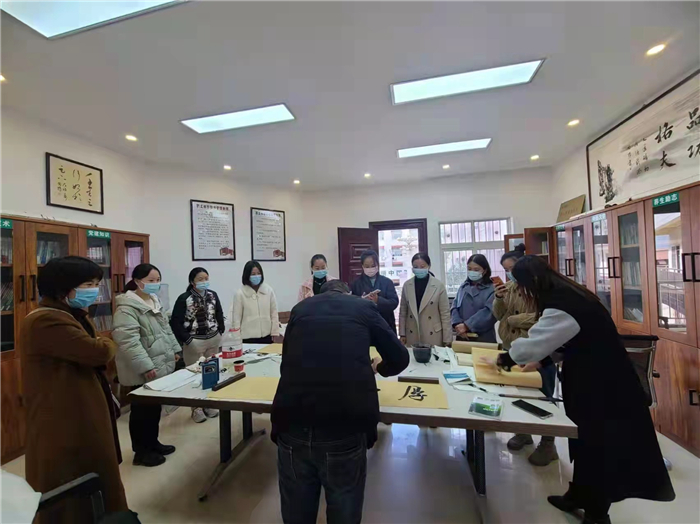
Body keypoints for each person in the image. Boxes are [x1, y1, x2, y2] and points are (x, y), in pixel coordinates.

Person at [483, 255, 675, 524]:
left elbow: (538, 341)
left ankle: (597, 514)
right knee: (583, 442)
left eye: (523, 287)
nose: (524, 293)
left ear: (533, 282)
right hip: (593, 379)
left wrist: (504, 359)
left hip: (604, 386)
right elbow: (570, 340)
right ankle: (577, 496)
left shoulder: (563, 304)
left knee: (598, 449)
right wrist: (543, 360)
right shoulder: (569, 293)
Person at [272, 280, 409, 524]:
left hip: (293, 420)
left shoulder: (300, 309)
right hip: (344, 422)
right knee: (344, 505)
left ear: (320, 294)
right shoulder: (362, 307)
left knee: (296, 510)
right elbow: (399, 358)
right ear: (348, 293)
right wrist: (379, 367)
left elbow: (286, 362)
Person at [20, 256, 129, 523]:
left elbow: (95, 348)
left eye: (96, 283)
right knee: (70, 474)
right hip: (63, 414)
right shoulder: (46, 320)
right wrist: (108, 343)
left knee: (94, 467)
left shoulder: (70, 315)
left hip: (80, 405)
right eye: (87, 284)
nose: (94, 290)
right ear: (63, 288)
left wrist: (103, 344)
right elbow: (98, 352)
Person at [493, 244, 558, 466]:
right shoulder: (509, 288)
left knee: (543, 396)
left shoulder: (540, 289)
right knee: (516, 394)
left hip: (538, 350)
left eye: (512, 269)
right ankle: (523, 433)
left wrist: (515, 320)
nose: (509, 274)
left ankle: (548, 443)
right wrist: (498, 298)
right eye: (506, 270)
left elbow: (543, 317)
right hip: (512, 347)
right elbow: (498, 315)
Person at [113, 263, 179, 467]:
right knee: (141, 411)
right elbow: (128, 341)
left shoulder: (154, 301)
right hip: (142, 368)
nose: (155, 284)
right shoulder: (127, 307)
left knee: (153, 408)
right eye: (151, 280)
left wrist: (175, 349)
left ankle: (153, 443)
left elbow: (166, 329)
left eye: (158, 280)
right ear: (137, 281)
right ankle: (141, 452)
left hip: (159, 361)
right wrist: (145, 366)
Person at [170, 267, 225, 423]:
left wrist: (220, 331)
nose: (204, 281)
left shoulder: (213, 295)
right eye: (200, 279)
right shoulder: (184, 298)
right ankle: (196, 408)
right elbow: (175, 322)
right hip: (194, 341)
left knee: (211, 373)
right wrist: (187, 340)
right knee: (194, 375)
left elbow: (219, 313)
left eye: (206, 278)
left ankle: (209, 404)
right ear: (192, 282)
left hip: (213, 339)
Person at [399, 252, 452, 347]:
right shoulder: (407, 285)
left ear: (429, 266)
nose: (419, 269)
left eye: (422, 266)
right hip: (412, 332)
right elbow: (403, 312)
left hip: (433, 333)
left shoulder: (438, 286)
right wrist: (402, 333)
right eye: (415, 267)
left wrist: (447, 339)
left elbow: (445, 314)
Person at [230, 260, 280, 344]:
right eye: (253, 274)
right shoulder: (240, 293)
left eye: (258, 273)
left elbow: (274, 313)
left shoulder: (268, 291)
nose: (256, 276)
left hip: (266, 336)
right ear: (247, 275)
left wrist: (275, 332)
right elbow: (236, 318)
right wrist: (236, 338)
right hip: (247, 338)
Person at [450, 253, 497, 342]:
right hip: (462, 335)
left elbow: (489, 312)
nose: (472, 272)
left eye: (476, 269)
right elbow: (454, 306)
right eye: (469, 269)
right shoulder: (463, 287)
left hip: (484, 337)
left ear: (485, 270)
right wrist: (457, 324)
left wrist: (467, 325)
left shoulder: (492, 288)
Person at [351, 249, 399, 333]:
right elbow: (352, 306)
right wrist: (361, 301)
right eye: (367, 266)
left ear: (378, 265)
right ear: (362, 266)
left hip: (385, 325)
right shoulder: (356, 284)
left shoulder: (387, 282)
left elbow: (394, 302)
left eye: (373, 265)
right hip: (364, 327)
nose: (370, 268)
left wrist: (378, 300)